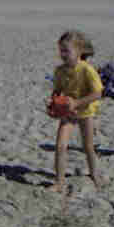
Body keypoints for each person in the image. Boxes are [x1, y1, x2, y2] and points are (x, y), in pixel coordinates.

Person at [46, 31, 104, 193]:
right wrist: (53, 104)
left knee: (88, 146)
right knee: (60, 146)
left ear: (79, 51)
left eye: (66, 51)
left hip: (85, 112)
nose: (63, 54)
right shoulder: (59, 71)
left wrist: (77, 102)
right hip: (68, 114)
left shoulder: (87, 70)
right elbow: (57, 91)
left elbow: (98, 93)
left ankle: (94, 174)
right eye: (61, 50)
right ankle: (59, 182)